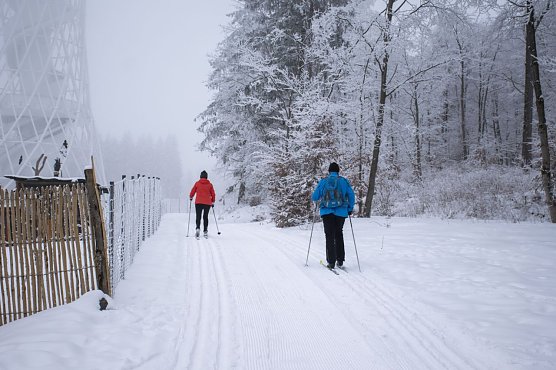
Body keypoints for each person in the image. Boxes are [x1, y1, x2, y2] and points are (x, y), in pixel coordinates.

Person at [311, 162, 355, 269]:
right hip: (341, 212)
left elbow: (315, 197)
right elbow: (351, 195)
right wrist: (349, 209)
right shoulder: (344, 181)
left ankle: (331, 261)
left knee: (329, 235)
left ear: (329, 171)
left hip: (327, 212)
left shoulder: (324, 181)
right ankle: (340, 260)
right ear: (338, 171)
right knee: (339, 234)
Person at [189, 170, 216, 238]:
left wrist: (191, 197)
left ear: (200, 176)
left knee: (198, 216)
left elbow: (193, 191)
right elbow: (213, 194)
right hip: (207, 203)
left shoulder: (197, 183)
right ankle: (205, 231)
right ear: (206, 177)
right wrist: (213, 201)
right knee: (205, 216)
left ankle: (198, 228)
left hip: (198, 202)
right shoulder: (210, 185)